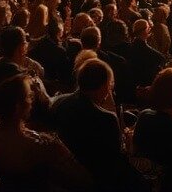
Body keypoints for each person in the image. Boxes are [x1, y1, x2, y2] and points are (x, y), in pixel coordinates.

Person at [49, 59, 146, 191]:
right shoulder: (106, 118)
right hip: (96, 178)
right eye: (110, 85)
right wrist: (128, 146)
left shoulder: (60, 103)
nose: (110, 91)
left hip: (65, 175)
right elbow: (116, 161)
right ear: (103, 85)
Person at [0, 74, 91, 191]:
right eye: (29, 96)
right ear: (17, 107)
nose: (32, 101)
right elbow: (83, 179)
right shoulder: (40, 144)